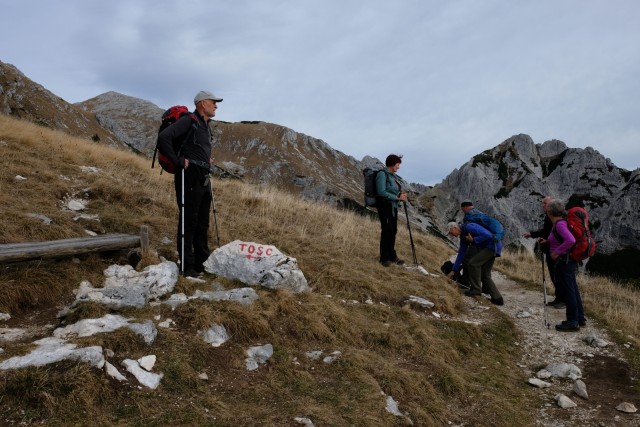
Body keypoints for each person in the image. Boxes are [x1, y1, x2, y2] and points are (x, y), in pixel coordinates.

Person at [157, 90, 222, 277]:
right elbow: (164, 138)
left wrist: (206, 160)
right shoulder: (189, 120)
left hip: (203, 175)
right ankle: (187, 266)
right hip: (189, 175)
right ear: (202, 103)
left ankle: (203, 262)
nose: (216, 106)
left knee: (202, 222)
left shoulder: (205, 125)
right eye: (213, 102)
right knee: (189, 220)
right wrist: (178, 161)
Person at [539, 199, 586, 332]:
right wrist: (547, 242)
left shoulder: (559, 224)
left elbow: (570, 240)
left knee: (569, 290)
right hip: (567, 261)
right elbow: (558, 239)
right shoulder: (559, 223)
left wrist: (556, 252)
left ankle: (572, 321)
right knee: (573, 289)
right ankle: (580, 318)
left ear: (549, 212)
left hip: (564, 261)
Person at [446, 221, 504, 305]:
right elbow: (461, 253)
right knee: (485, 274)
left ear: (455, 228)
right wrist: (453, 270)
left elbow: (488, 235)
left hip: (491, 246)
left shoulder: (469, 227)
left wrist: (474, 240)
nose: (452, 235)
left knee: (473, 264)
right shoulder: (463, 236)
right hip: (493, 247)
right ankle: (498, 299)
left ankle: (476, 289)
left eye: (451, 232)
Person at [523, 196, 564, 308]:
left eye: (545, 203)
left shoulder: (555, 219)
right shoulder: (549, 217)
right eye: (543, 203)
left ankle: (563, 300)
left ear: (551, 205)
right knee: (553, 275)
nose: (543, 205)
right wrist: (533, 235)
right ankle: (559, 298)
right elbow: (547, 232)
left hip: (555, 251)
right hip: (551, 250)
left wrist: (541, 237)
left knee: (556, 275)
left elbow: (550, 233)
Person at [375, 154, 408, 267]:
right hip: (384, 207)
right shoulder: (382, 174)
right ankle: (384, 258)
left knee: (393, 231)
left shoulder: (392, 176)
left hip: (392, 207)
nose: (398, 167)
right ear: (392, 163)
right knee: (386, 231)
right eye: (398, 164)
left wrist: (400, 195)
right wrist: (397, 197)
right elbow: (381, 192)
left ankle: (392, 256)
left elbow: (391, 191)